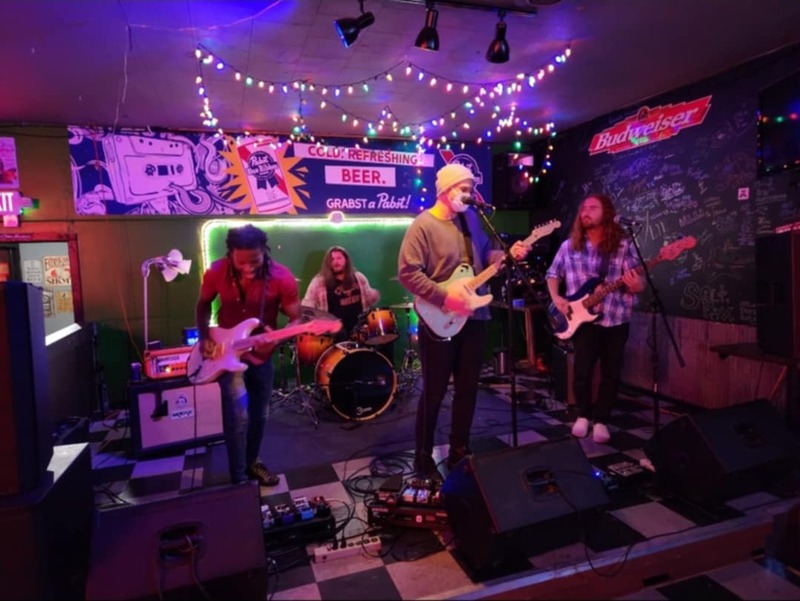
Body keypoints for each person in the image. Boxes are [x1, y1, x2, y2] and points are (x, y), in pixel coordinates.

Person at [397, 162, 530, 480]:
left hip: (475, 317)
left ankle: (460, 449)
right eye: (464, 188)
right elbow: (408, 273)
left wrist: (505, 255)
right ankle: (423, 457)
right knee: (434, 392)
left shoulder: (471, 218)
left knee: (468, 389)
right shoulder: (422, 226)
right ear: (445, 190)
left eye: (471, 188)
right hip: (439, 320)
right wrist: (446, 298)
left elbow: (485, 256)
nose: (470, 194)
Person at [195, 224, 301, 487]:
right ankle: (239, 479)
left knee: (260, 415)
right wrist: (204, 336)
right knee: (237, 417)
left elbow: (296, 319)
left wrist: (275, 341)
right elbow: (203, 304)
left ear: (264, 251)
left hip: (261, 356)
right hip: (226, 354)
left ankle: (252, 461)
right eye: (241, 262)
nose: (248, 268)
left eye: (254, 260)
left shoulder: (281, 277)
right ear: (230, 254)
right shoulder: (216, 271)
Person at [545, 193, 645, 444]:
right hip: (581, 319)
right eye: (583, 208)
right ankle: (583, 415)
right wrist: (556, 297)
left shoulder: (623, 245)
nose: (586, 212)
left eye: (593, 208)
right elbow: (553, 273)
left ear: (607, 213)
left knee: (612, 373)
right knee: (582, 370)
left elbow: (636, 282)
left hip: (616, 317)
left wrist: (637, 286)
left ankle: (601, 420)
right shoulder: (569, 246)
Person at [301, 246, 394, 361]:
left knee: (385, 338)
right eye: (332, 259)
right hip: (335, 332)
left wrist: (374, 295)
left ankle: (387, 370)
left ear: (346, 260)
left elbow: (369, 298)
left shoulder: (359, 277)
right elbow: (307, 307)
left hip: (360, 328)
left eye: (339, 258)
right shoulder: (319, 282)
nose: (336, 262)